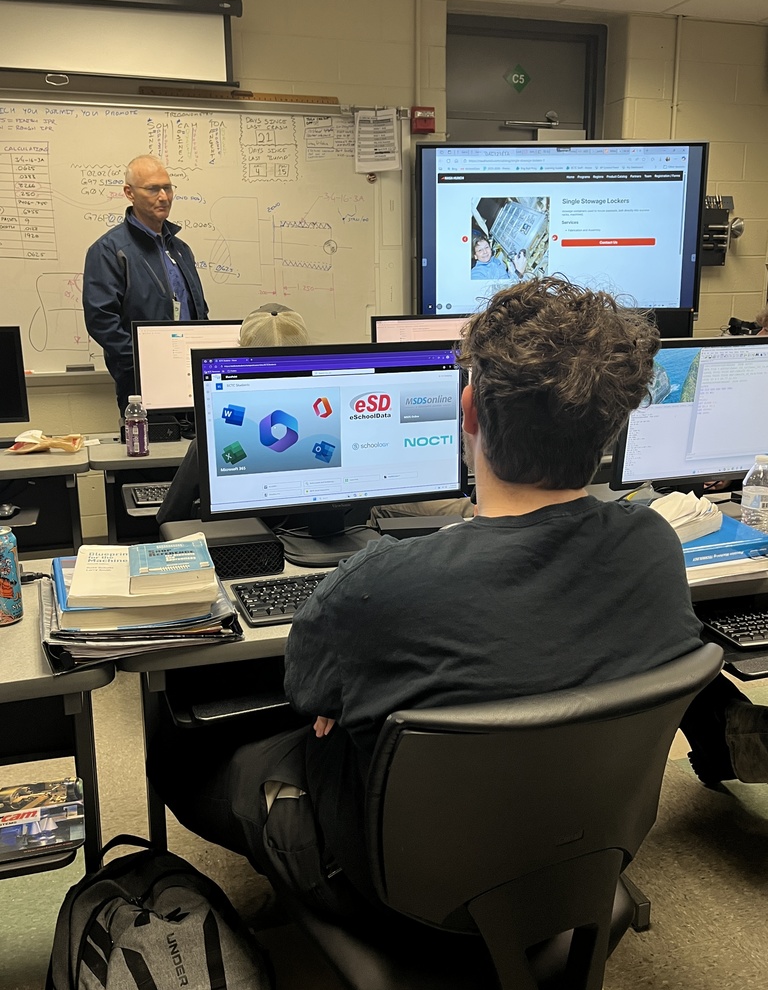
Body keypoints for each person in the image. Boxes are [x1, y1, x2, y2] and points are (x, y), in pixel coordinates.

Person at [149, 277, 735, 915]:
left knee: (177, 737)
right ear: (614, 425)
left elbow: (309, 696)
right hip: (578, 848)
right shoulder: (653, 544)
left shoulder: (380, 584)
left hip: (398, 890)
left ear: (470, 411)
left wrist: (346, 698)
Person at [156, 305, 310, 526]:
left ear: (240, 352)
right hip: (320, 548)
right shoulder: (323, 419)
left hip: (245, 552)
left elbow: (168, 518)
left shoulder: (213, 439)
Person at [82, 154, 209, 415]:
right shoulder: (109, 250)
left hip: (192, 378)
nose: (163, 196)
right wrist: (144, 364)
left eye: (168, 187)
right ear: (129, 192)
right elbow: (102, 321)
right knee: (155, 453)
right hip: (143, 386)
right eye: (152, 189)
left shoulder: (181, 249)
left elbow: (198, 311)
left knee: (197, 453)